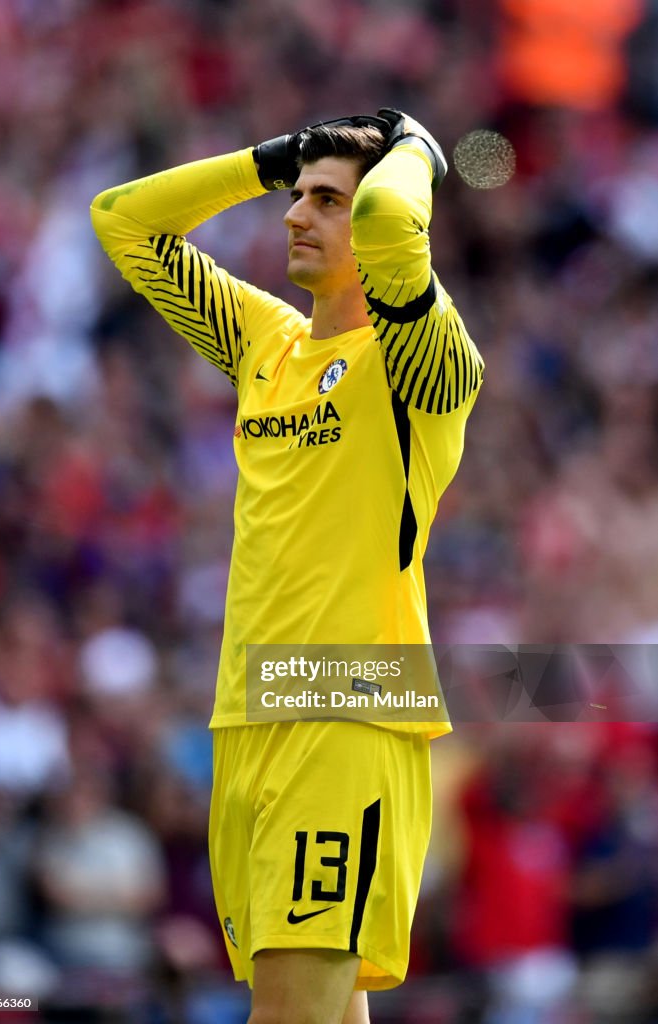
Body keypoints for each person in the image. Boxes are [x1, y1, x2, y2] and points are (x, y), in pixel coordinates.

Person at [91, 107, 483, 1024]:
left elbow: (391, 224)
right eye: (297, 197)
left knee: (289, 1010)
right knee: (322, 1008)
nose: (294, 216)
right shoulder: (264, 343)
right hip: (251, 704)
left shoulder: (425, 365)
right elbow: (122, 219)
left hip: (349, 705)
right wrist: (268, 161)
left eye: (327, 201)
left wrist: (416, 146)